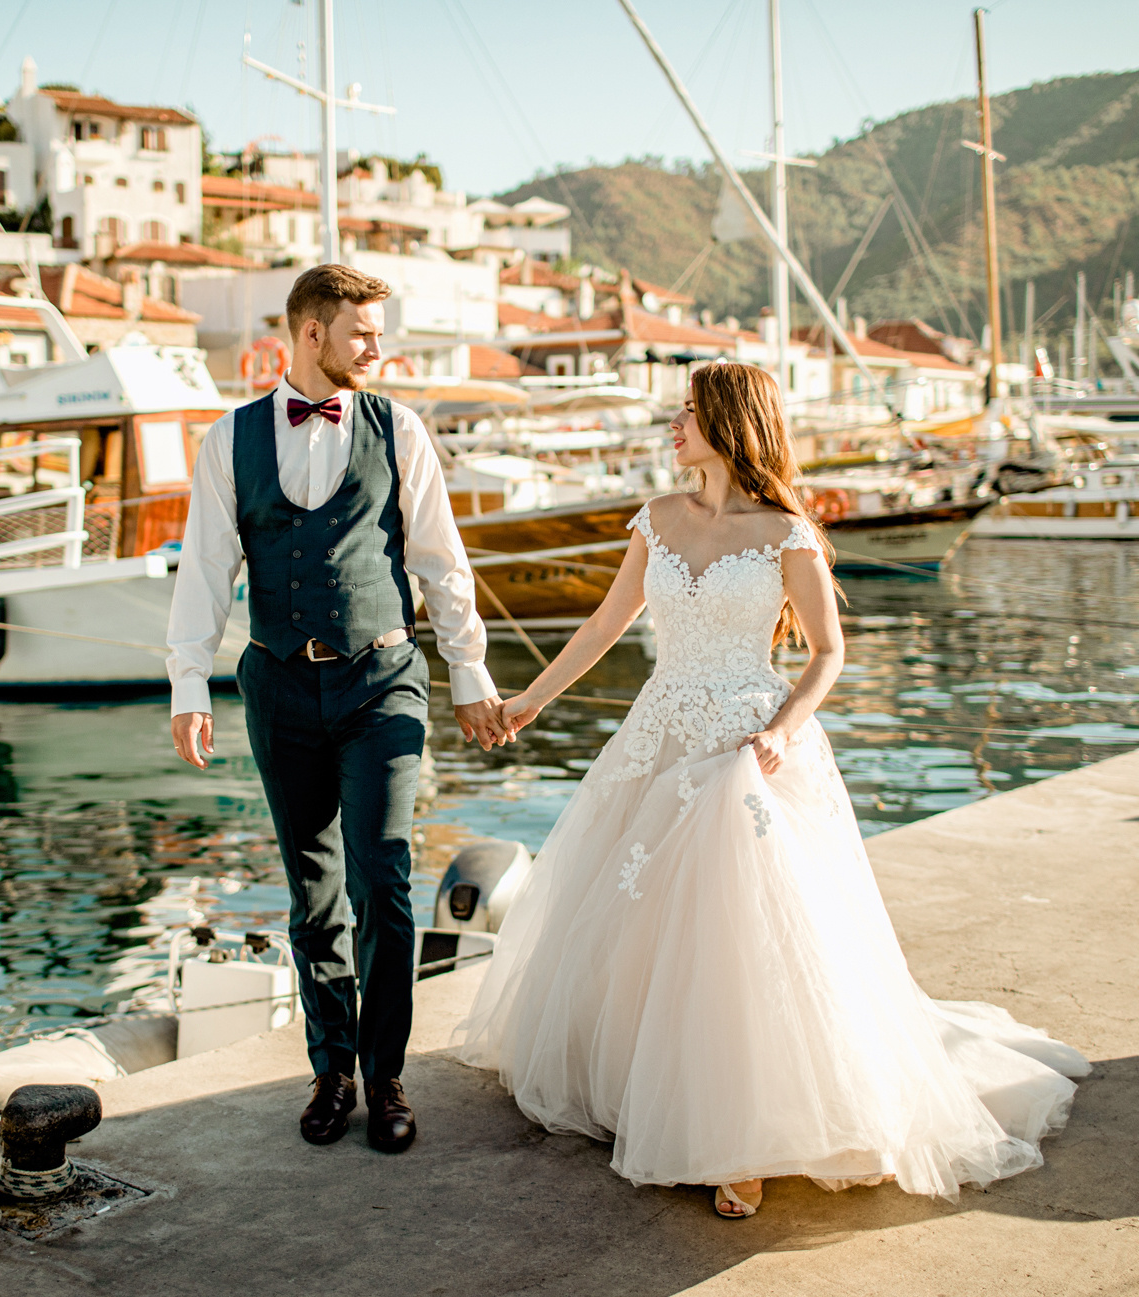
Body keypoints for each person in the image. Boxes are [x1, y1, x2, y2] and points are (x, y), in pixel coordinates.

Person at [456, 362, 1087, 1217]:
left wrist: (784, 729)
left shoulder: (788, 532)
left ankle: (740, 1135)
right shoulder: (657, 518)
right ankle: (655, 1090)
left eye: (687, 412)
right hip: (658, 734)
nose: (673, 425)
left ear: (726, 421)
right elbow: (608, 624)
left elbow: (828, 652)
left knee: (742, 931)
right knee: (640, 923)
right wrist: (528, 701)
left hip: (749, 741)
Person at [167, 263, 509, 1155]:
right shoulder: (229, 440)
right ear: (310, 333)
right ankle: (332, 1070)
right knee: (313, 891)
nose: (376, 346)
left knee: (383, 881)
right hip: (278, 683)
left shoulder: (398, 429)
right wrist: (187, 682)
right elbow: (204, 569)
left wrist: (468, 673)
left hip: (381, 676)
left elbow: (440, 561)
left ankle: (386, 1069)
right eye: (362, 331)